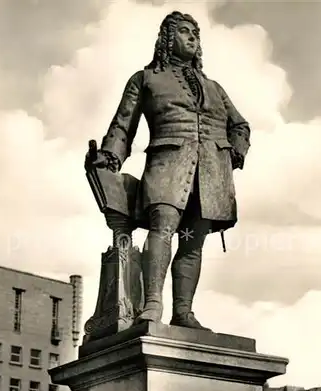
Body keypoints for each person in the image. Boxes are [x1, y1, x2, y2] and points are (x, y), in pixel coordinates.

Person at [87, 11, 250, 330]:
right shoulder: (145, 79)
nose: (193, 38)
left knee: (192, 242)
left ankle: (184, 312)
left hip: (212, 175)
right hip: (166, 166)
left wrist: (234, 153)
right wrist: (110, 156)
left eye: (196, 34)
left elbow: (240, 125)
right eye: (185, 32)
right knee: (161, 229)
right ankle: (151, 305)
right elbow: (124, 125)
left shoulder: (214, 87)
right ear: (167, 39)